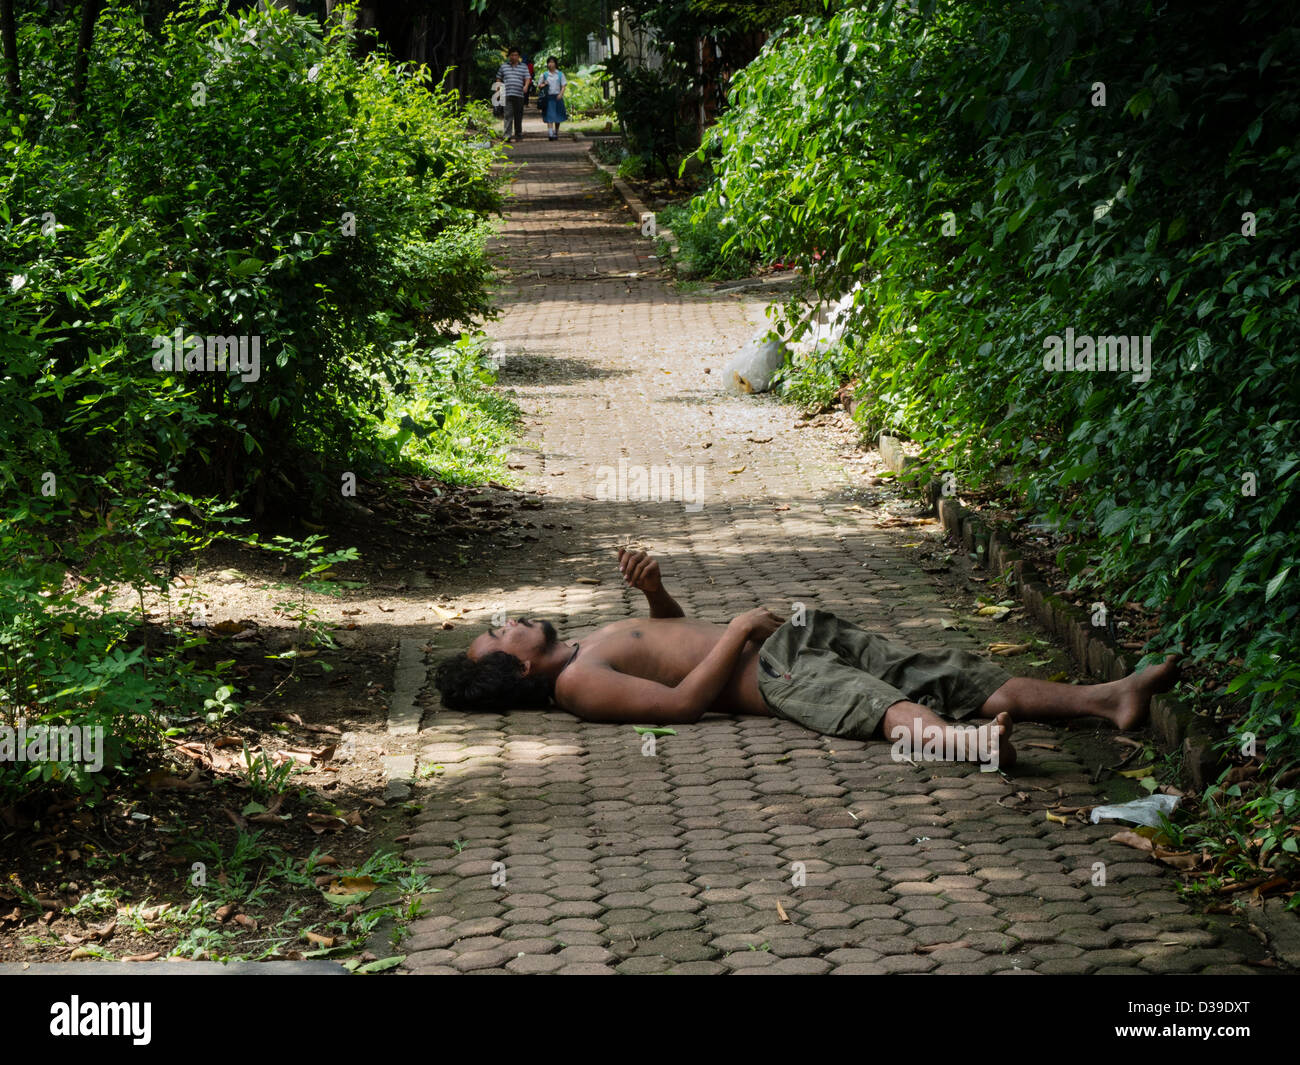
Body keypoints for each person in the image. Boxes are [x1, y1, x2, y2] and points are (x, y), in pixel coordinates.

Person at [434, 550, 1180, 771]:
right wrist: (735, 631)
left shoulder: (581, 643)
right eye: (498, 635)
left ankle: (1105, 698)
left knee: (943, 671)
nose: (508, 622)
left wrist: (659, 594)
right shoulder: (575, 685)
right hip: (777, 675)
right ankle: (974, 745)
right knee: (876, 703)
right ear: (517, 670)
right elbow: (684, 704)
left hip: (787, 640)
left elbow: (671, 645)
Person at [496, 46, 532, 142]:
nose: (514, 57)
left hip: (519, 94)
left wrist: (526, 86)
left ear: (518, 56)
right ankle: (507, 136)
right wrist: (498, 90)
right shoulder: (503, 66)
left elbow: (528, 78)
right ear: (509, 56)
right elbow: (498, 78)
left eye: (516, 55)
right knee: (507, 115)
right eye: (512, 55)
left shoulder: (523, 66)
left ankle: (518, 134)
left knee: (518, 116)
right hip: (506, 94)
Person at [537, 56, 568, 140]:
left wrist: (561, 94)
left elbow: (563, 85)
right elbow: (539, 86)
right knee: (549, 115)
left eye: (552, 62)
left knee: (558, 116)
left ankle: (556, 132)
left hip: (557, 97)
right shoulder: (544, 74)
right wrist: (544, 84)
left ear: (556, 64)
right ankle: (550, 134)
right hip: (548, 97)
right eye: (549, 62)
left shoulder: (560, 74)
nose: (550, 64)